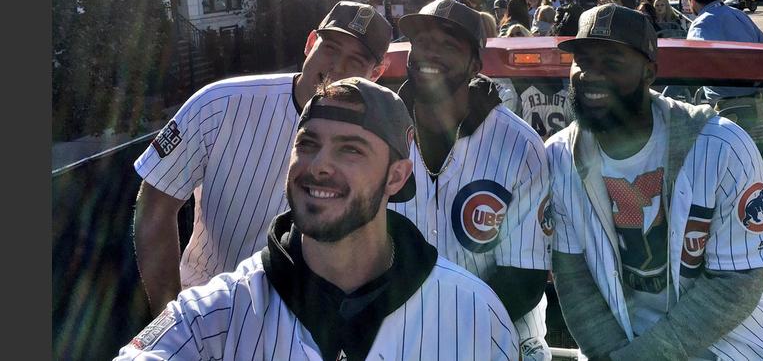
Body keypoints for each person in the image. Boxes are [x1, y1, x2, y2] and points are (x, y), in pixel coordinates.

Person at [118, 78, 519, 360]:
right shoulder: (216, 314)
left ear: (396, 177)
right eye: (307, 144)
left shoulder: (472, 314)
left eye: (351, 149)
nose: (319, 165)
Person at [547, 4, 763, 360]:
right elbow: (574, 280)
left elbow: (737, 284)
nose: (590, 75)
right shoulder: (560, 157)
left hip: (734, 349)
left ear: (649, 73)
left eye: (612, 63)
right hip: (622, 347)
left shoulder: (721, 146)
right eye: (582, 61)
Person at [133, 2, 393, 317]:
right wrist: (170, 318)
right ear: (310, 42)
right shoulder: (220, 104)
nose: (338, 66)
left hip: (311, 325)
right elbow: (156, 201)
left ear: (376, 73)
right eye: (331, 48)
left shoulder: (383, 144)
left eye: (357, 60)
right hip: (212, 313)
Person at [394, 0, 553, 359]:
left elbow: (524, 279)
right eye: (423, 42)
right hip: (399, 339)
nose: (431, 53)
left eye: (449, 46)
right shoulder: (380, 132)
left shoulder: (520, 145)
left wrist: (439, 334)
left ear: (475, 65)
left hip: (498, 340)